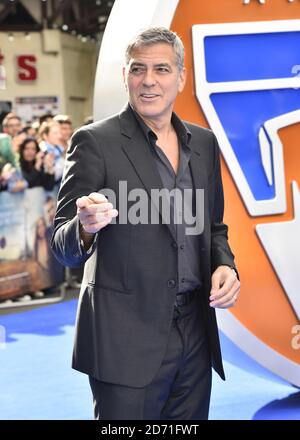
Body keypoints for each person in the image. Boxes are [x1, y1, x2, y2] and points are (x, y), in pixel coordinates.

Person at [51, 27, 240, 420]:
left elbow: (214, 226)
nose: (149, 80)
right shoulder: (94, 142)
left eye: (161, 69)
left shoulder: (203, 145)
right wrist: (85, 225)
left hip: (194, 331)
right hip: (123, 336)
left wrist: (224, 264)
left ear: (181, 78)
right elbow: (62, 245)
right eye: (138, 69)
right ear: (125, 76)